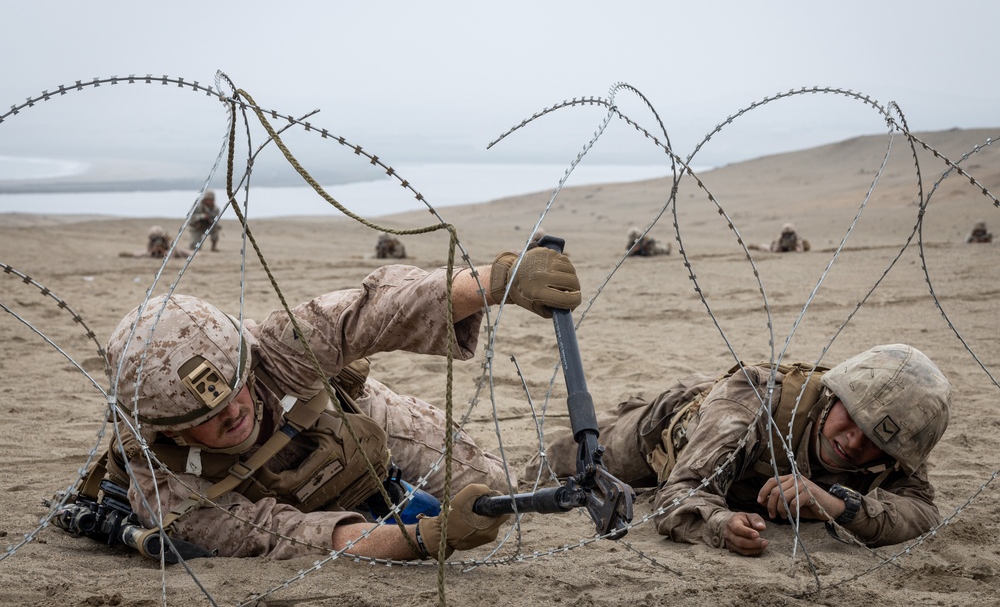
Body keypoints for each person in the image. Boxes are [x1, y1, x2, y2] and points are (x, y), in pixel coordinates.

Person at [101, 246, 581, 560]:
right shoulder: (167, 491)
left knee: (497, 489)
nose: (234, 412)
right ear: (169, 431)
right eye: (207, 416)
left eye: (235, 390)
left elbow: (373, 312)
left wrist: (499, 281)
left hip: (348, 420)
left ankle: (556, 458)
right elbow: (285, 537)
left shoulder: (274, 347)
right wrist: (420, 541)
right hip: (282, 501)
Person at [527, 344, 951, 556]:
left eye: (874, 438)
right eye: (852, 419)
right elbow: (679, 491)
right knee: (569, 463)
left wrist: (841, 506)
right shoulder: (753, 400)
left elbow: (923, 513)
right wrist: (720, 523)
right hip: (662, 437)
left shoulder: (899, 437)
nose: (853, 441)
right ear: (833, 396)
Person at [119, 225, 191, 259]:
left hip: (178, 252)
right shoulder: (151, 243)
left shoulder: (169, 242)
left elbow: (172, 255)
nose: (157, 241)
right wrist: (153, 252)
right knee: (140, 253)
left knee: (191, 254)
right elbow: (147, 252)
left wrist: (163, 252)